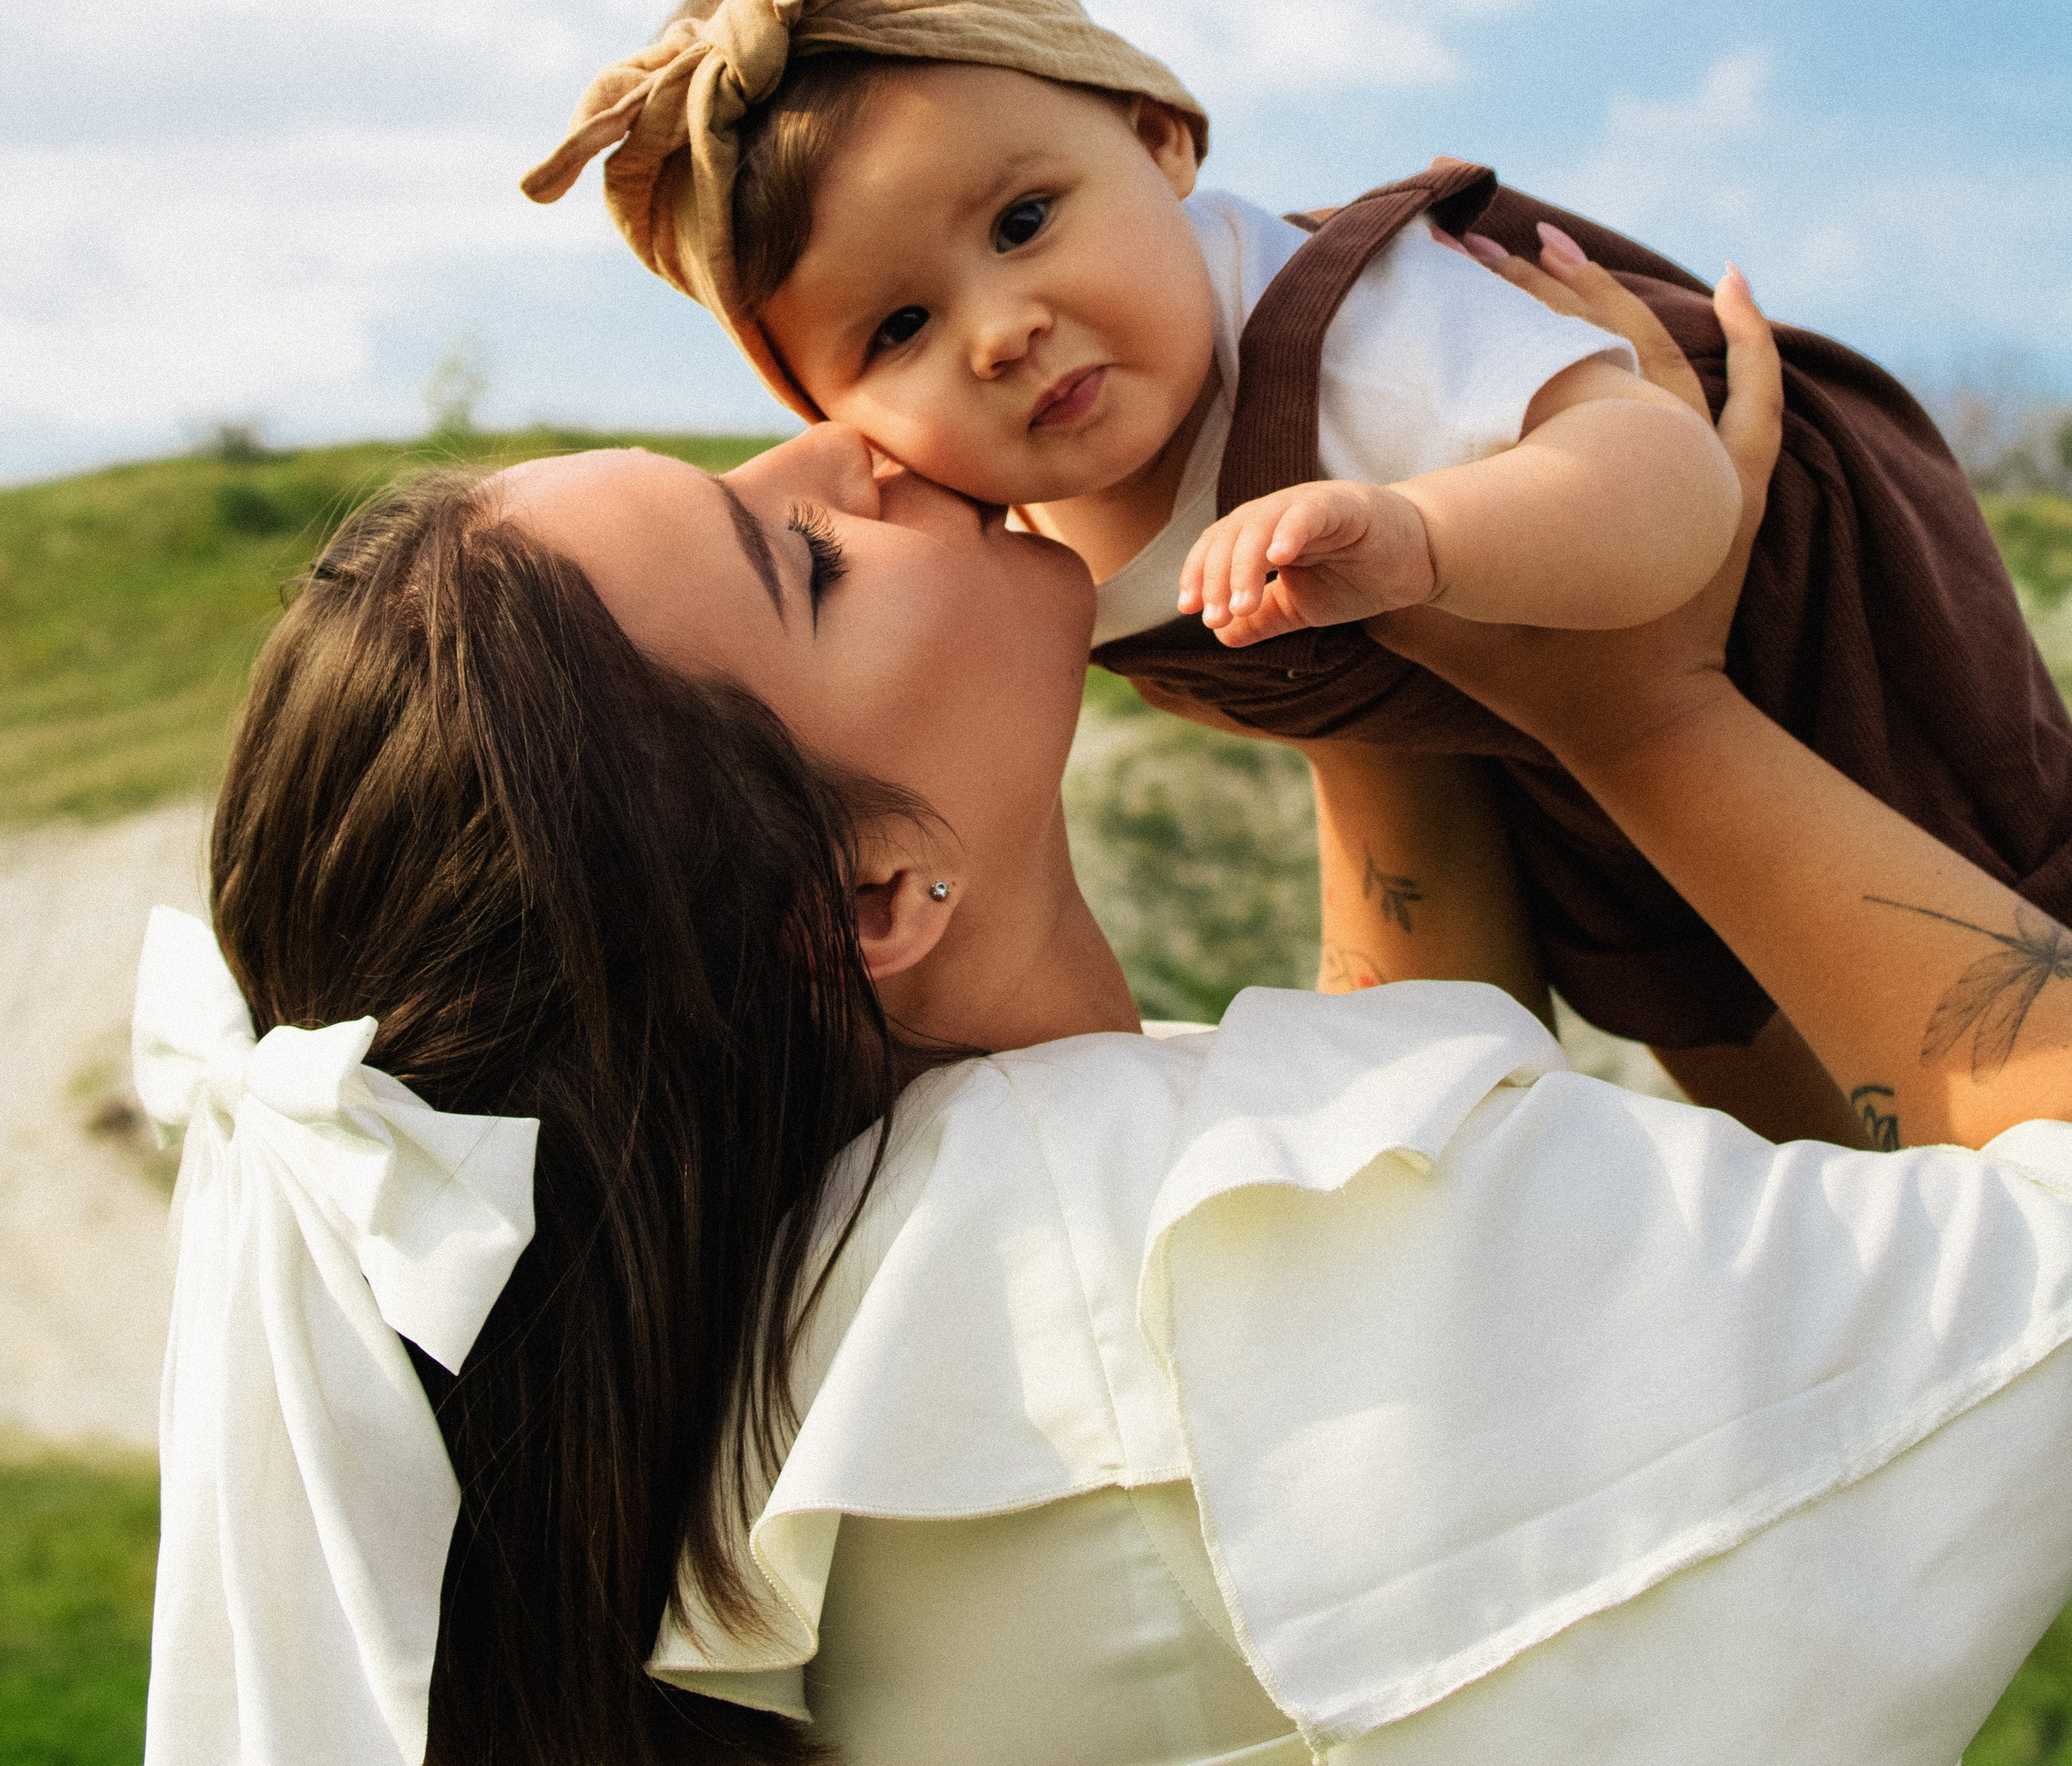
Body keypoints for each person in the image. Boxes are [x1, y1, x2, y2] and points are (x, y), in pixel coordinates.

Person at [142, 265, 2072, 1766]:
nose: (857, 440)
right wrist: (1640, 706)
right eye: (799, 558)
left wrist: (1354, 638)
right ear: (865, 902)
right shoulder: (1151, 1276)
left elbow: (1377, 1124)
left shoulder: (833, 1313)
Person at [518, 0, 2072, 1123]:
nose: (999, 331)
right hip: (1530, 745)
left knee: (1988, 887)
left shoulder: (1351, 334)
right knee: (1710, 1030)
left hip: (1803, 607)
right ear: (827, 407)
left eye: (1023, 220)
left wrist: (1424, 536)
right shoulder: (1016, 545)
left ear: (1159, 137)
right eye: (897, 329)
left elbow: (1675, 484)